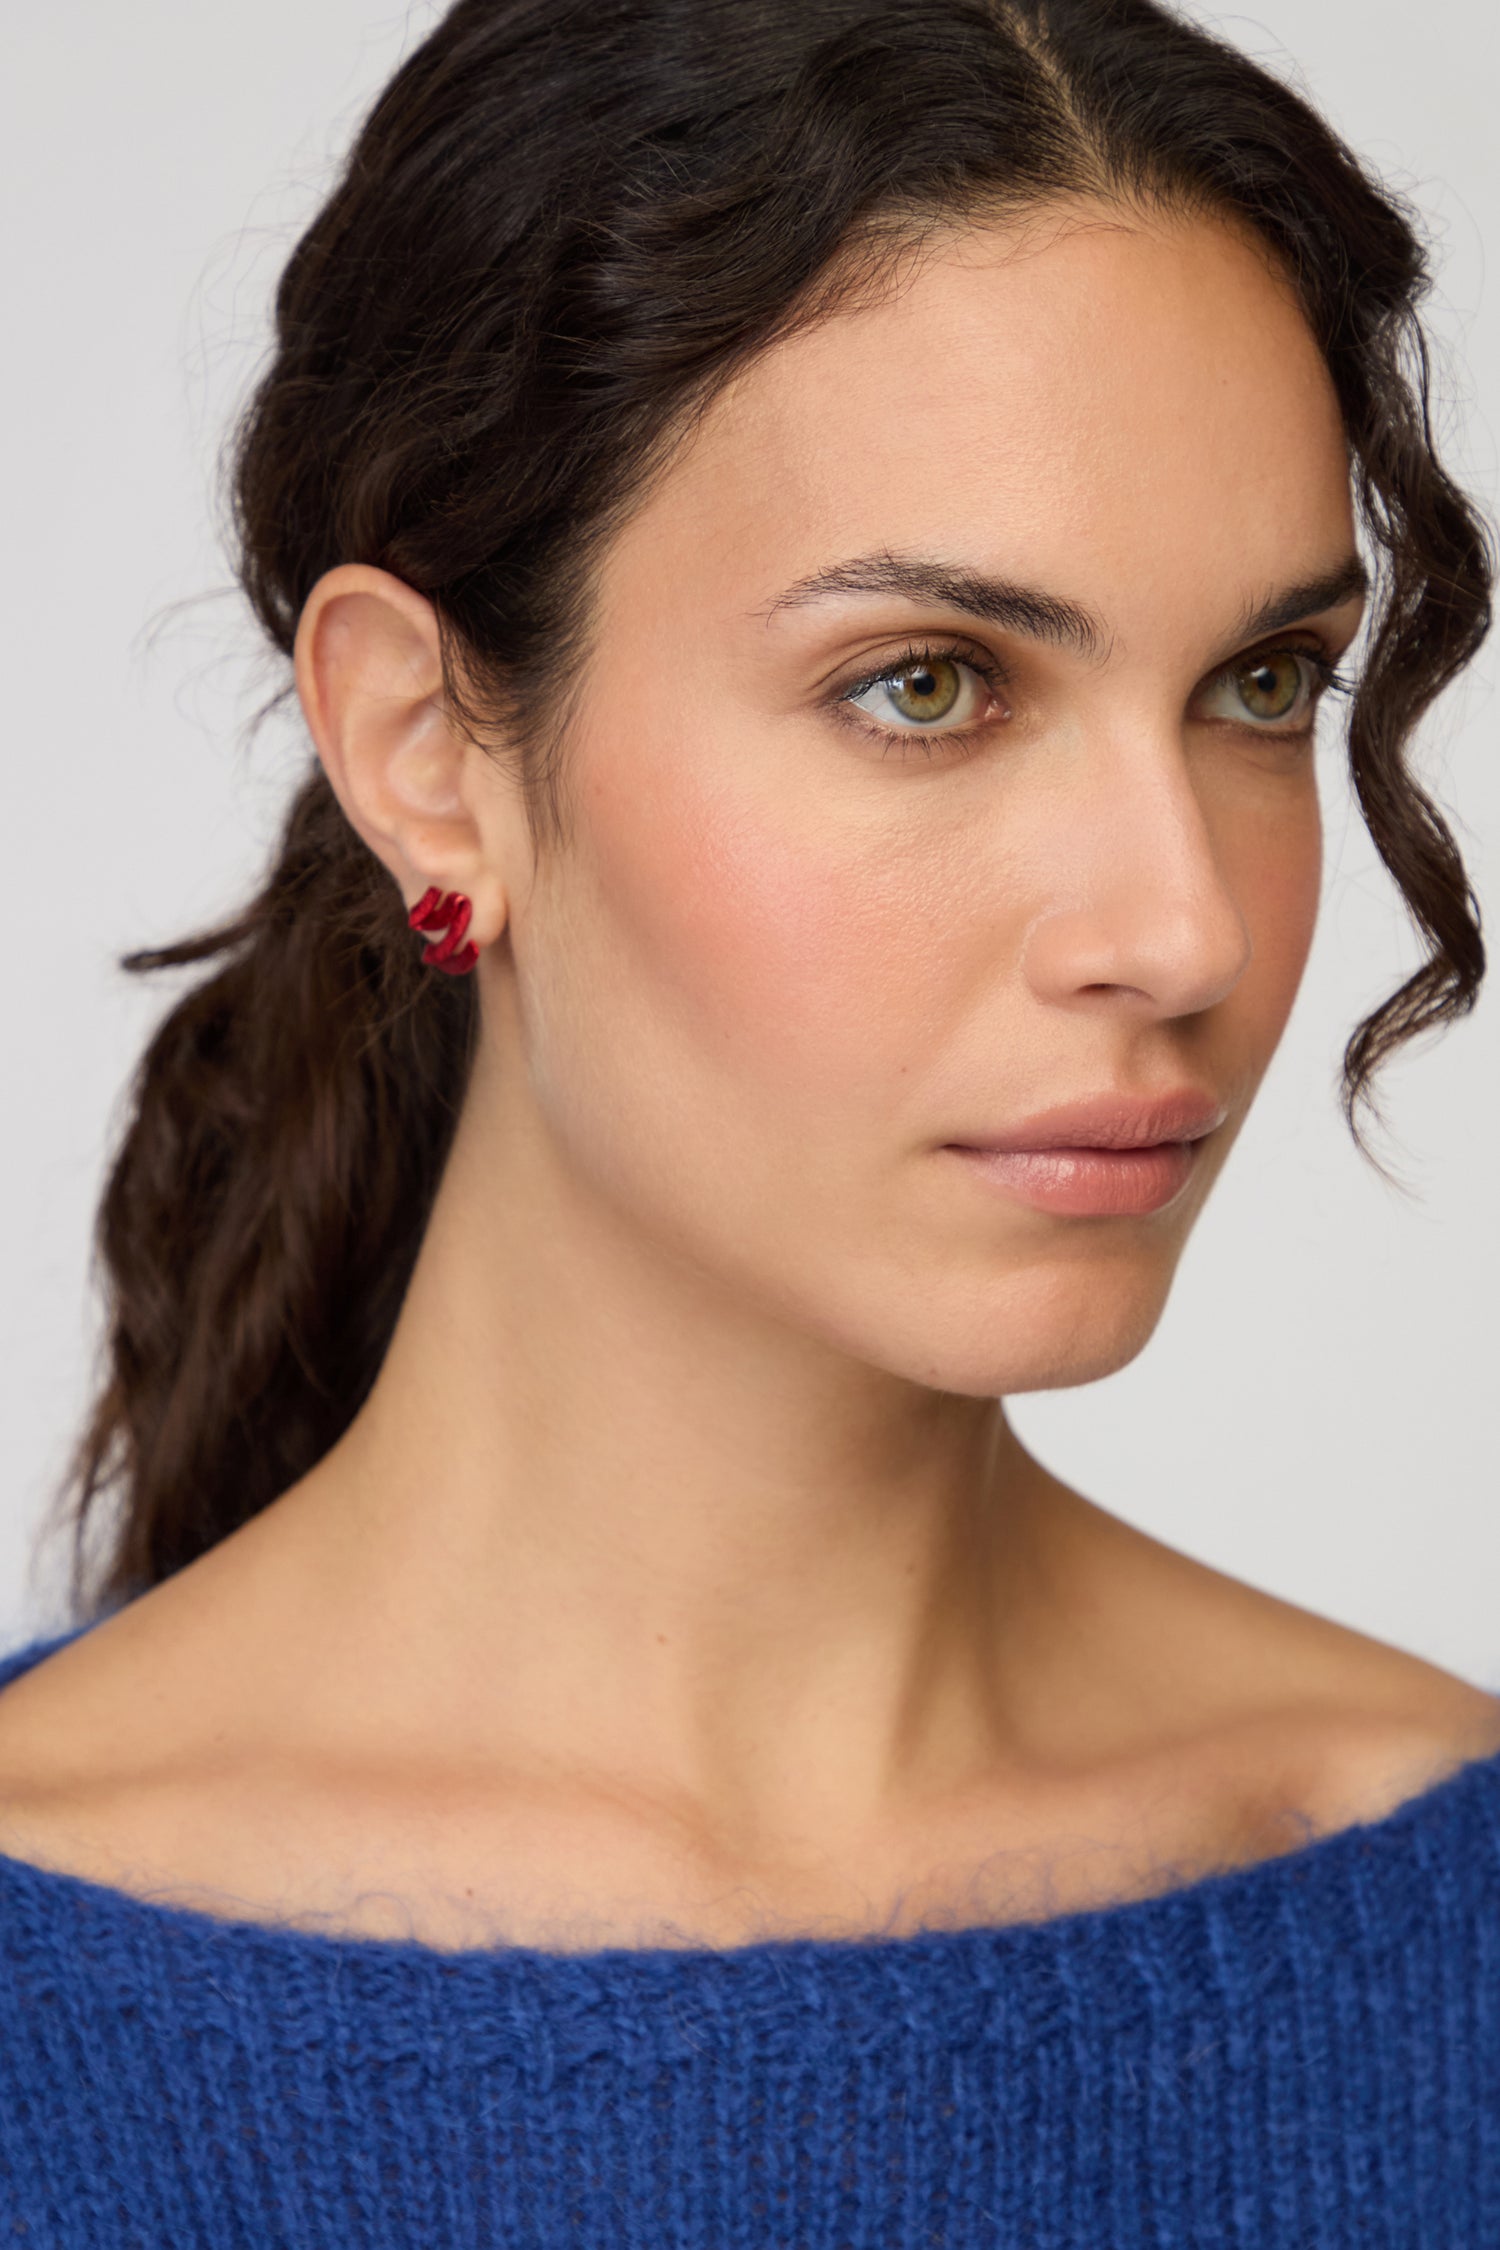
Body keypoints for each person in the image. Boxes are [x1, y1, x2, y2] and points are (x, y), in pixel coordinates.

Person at [1, 0, 1496, 2240]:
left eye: (1260, 686)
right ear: (425, 746)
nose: (1181, 926)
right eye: (928, 685)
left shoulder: (1447, 1912)